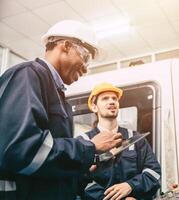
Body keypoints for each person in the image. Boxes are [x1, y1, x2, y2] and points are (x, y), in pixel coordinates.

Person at [0, 20, 122, 200]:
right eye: (86, 58)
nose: (86, 68)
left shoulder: (58, 95)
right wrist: (89, 147)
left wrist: (84, 169)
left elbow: (48, 166)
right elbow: (21, 150)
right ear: (66, 46)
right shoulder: (28, 74)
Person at [81, 83, 161, 200]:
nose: (112, 101)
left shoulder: (136, 138)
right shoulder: (85, 142)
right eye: (105, 99)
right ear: (94, 107)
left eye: (114, 98)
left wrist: (131, 185)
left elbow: (154, 172)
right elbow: (80, 181)